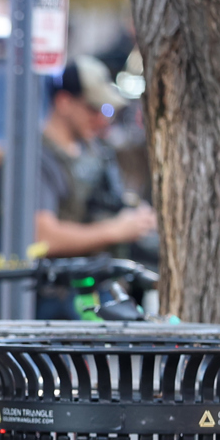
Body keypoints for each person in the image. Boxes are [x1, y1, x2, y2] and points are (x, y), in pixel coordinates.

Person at [35, 55, 158, 319]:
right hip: (59, 299)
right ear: (64, 102)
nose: (101, 119)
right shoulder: (39, 158)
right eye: (93, 108)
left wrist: (136, 217)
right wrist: (115, 230)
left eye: (106, 110)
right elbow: (44, 237)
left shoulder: (95, 150)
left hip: (102, 288)